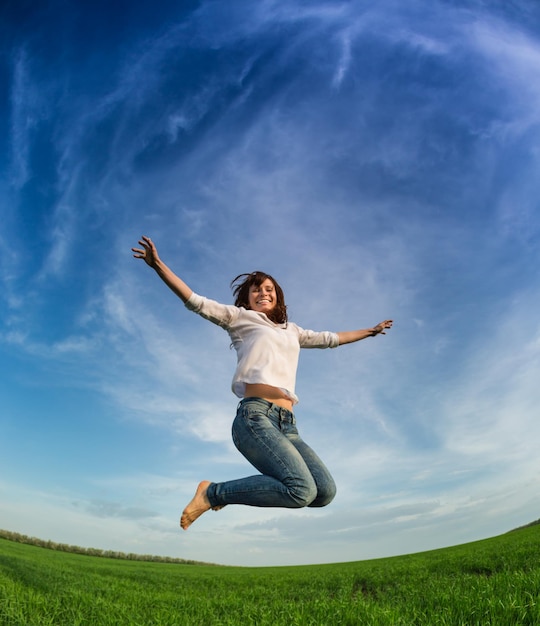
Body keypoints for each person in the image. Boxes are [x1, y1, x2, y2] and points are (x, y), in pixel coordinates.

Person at [132, 235, 392, 530]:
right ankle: (212, 492)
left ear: (278, 296)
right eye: (256, 290)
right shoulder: (240, 319)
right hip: (255, 417)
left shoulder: (292, 331)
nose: (263, 293)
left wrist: (370, 332)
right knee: (301, 490)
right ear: (247, 298)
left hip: (288, 425)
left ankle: (215, 493)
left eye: (269, 289)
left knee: (323, 493)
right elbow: (194, 301)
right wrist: (158, 266)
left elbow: (332, 339)